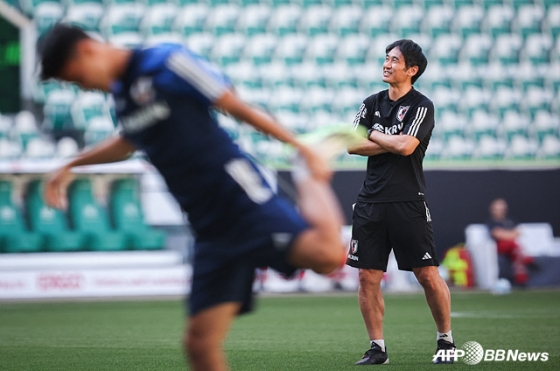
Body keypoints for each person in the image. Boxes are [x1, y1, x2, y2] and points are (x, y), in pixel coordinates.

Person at [38, 23, 357, 371]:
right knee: (199, 346)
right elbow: (128, 141)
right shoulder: (121, 97)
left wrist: (299, 147)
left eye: (77, 78)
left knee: (327, 256)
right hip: (207, 227)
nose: (82, 87)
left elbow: (235, 105)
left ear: (88, 51)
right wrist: (73, 163)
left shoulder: (167, 62)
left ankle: (306, 173)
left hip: (238, 197)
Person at [346, 39, 455, 365]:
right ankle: (377, 347)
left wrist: (375, 134)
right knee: (367, 276)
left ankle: (446, 340)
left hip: (407, 201)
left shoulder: (422, 105)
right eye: (385, 58)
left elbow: (407, 148)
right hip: (370, 202)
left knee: (426, 273)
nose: (386, 64)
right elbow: (351, 145)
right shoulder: (371, 102)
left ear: (412, 70)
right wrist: (391, 140)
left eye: (394, 60)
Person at [486, 198, 532, 286]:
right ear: (492, 210)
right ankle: (528, 260)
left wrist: (505, 234)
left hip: (512, 248)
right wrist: (509, 235)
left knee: (516, 252)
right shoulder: (491, 222)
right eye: (497, 209)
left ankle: (521, 280)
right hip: (498, 247)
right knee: (514, 246)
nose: (500, 211)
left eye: (502, 209)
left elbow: (518, 232)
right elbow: (497, 234)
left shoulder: (510, 221)